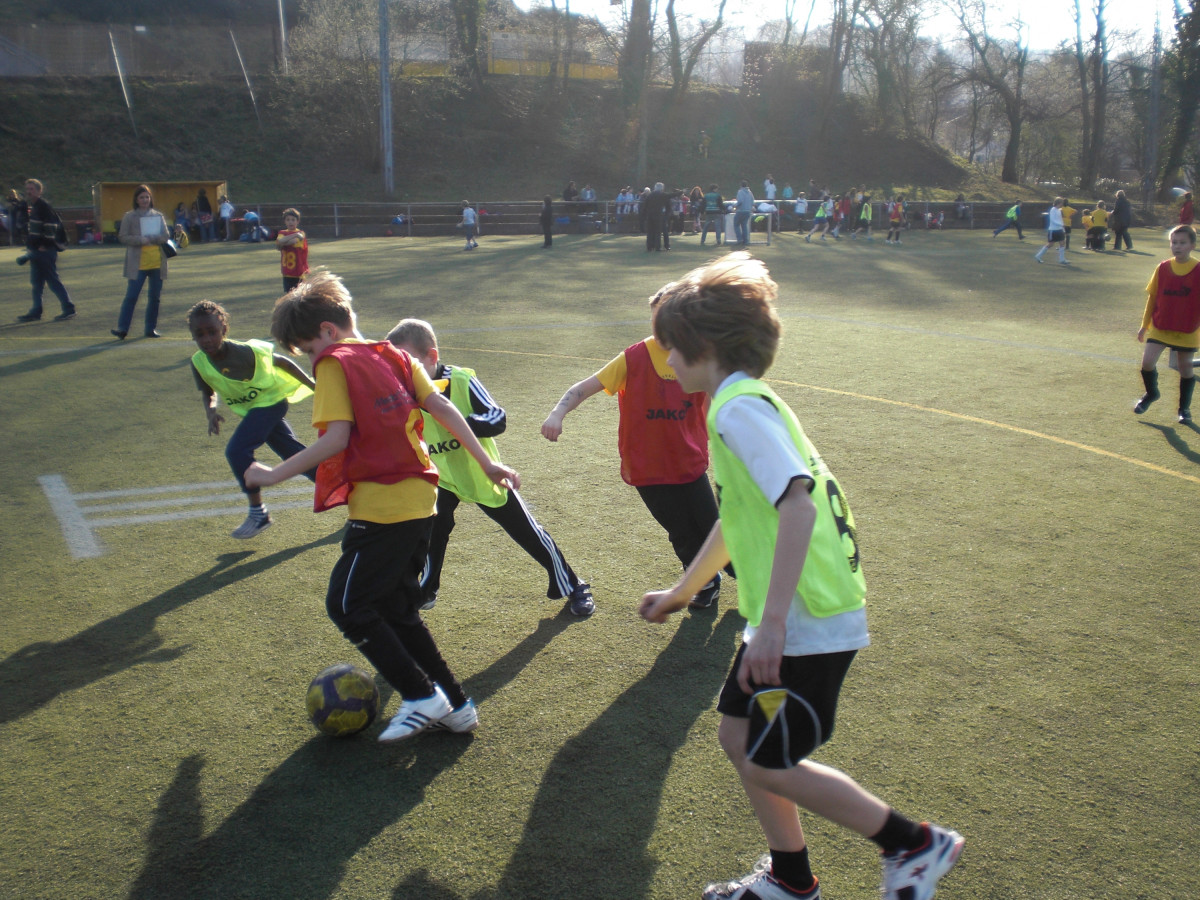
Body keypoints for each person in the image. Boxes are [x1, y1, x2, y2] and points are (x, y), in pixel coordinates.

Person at [639, 251, 964, 900]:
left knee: (771, 761)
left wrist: (773, 626)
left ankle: (914, 843)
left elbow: (797, 504)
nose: (666, 360)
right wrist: (681, 592)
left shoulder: (737, 409)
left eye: (672, 346)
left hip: (808, 619)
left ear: (705, 345)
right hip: (788, 616)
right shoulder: (738, 404)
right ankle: (791, 881)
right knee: (739, 738)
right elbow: (738, 521)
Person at [245, 269, 520, 741]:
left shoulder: (334, 363)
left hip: (382, 507)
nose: (312, 359)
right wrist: (488, 463)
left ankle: (420, 696)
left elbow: (336, 438)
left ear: (327, 331)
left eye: (308, 349)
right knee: (396, 610)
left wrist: (272, 474)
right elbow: (443, 408)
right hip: (422, 501)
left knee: (347, 605)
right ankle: (457, 707)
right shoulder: (395, 354)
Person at [386, 318, 595, 617]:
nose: (404, 372)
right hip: (441, 477)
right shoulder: (402, 391)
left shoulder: (461, 380)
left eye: (410, 363)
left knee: (527, 531)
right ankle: (426, 590)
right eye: (397, 365)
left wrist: (458, 424)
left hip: (482, 473)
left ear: (432, 356)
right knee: (432, 532)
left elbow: (497, 418)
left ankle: (573, 585)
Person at [541, 288, 723, 610]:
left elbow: (709, 402)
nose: (659, 328)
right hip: (647, 468)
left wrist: (719, 436)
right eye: (655, 320)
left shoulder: (697, 355)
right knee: (680, 531)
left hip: (689, 462)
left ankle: (749, 577)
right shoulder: (633, 358)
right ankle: (705, 583)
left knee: (713, 526)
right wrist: (558, 413)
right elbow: (585, 387)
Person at [187, 299, 317, 538]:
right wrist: (211, 412)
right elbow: (208, 391)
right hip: (254, 409)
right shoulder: (199, 362)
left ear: (223, 329)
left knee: (237, 451)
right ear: (192, 335)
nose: (207, 339)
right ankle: (347, 489)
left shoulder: (244, 352)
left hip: (272, 402)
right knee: (292, 453)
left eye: (212, 332)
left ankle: (258, 513)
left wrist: (313, 385)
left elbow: (282, 362)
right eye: (200, 334)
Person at [1133, 225, 1199, 424]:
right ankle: (1152, 393)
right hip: (1161, 327)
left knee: (1185, 369)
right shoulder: (1162, 268)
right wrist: (1144, 325)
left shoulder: (1198, 270)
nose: (1177, 246)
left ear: (1192, 245)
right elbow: (1152, 298)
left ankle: (1184, 409)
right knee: (1147, 362)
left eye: (1182, 243)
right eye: (1174, 242)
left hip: (1187, 330)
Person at [112, 184, 169, 339]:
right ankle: (122, 328)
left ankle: (150, 329)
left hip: (157, 262)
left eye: (147, 197)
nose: (145, 200)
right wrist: (140, 240)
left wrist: (153, 238)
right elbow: (123, 237)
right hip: (138, 264)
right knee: (131, 297)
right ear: (136, 200)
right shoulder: (129, 216)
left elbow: (165, 236)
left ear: (150, 199)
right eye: (141, 197)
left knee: (154, 298)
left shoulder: (158, 216)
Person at [16, 179, 76, 323]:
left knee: (52, 281)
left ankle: (69, 308)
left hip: (44, 251)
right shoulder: (34, 206)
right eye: (27, 189)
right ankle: (36, 311)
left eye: (31, 189)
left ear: (39, 191)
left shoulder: (43, 206)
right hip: (37, 250)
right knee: (37, 283)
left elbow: (51, 227)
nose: (28, 192)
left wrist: (45, 245)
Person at [276, 208, 309, 292]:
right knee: (289, 295)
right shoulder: (282, 233)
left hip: (298, 272)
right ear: (285, 221)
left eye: (293, 220)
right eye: (288, 220)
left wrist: (282, 243)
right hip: (287, 272)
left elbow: (292, 242)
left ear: (297, 221)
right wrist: (295, 235)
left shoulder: (301, 233)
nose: (290, 222)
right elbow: (280, 241)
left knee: (300, 295)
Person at [1035, 197, 1068, 265]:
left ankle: (1062, 259)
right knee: (1050, 244)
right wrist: (1061, 224)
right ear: (1058, 203)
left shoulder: (1059, 210)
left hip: (1059, 230)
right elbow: (1053, 220)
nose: (1062, 204)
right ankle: (1038, 256)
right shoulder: (1053, 210)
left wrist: (1063, 228)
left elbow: (1060, 220)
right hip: (1053, 230)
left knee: (1062, 243)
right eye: (1062, 203)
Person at [645, 182, 673, 252]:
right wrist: (667, 215)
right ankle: (664, 246)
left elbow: (645, 205)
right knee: (663, 232)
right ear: (662, 188)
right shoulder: (664, 195)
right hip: (661, 215)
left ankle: (650, 246)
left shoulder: (650, 195)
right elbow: (669, 207)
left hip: (652, 215)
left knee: (651, 232)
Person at [735, 180, 754, 247]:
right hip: (748, 211)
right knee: (744, 226)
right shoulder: (750, 192)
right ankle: (746, 240)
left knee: (736, 225)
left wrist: (735, 206)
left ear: (741, 185)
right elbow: (752, 201)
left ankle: (739, 239)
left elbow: (740, 201)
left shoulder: (740, 192)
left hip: (741, 210)